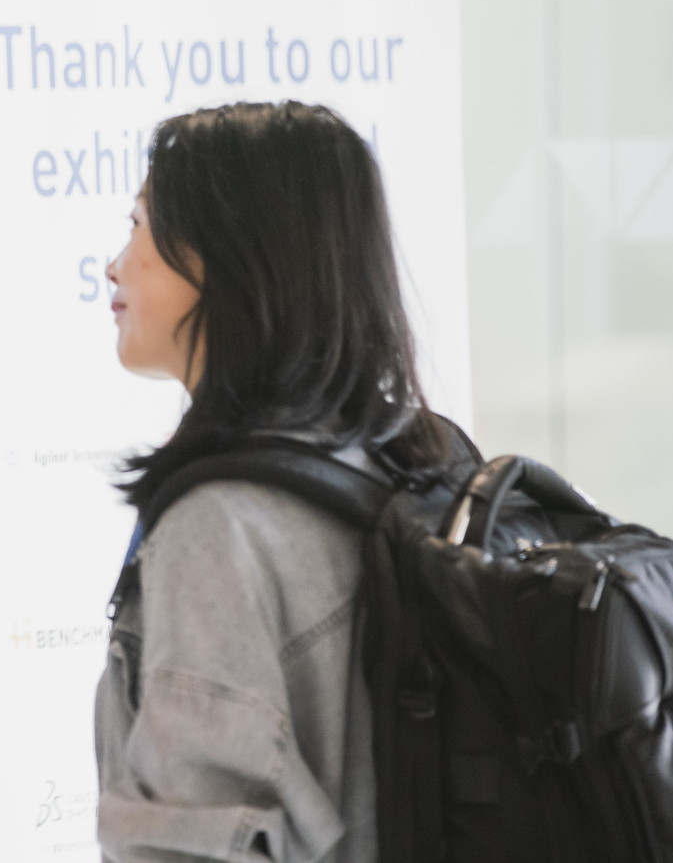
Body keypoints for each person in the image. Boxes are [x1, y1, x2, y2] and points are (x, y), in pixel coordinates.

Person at [94, 101, 469, 863]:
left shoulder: (220, 531)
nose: (115, 265)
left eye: (140, 227)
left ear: (227, 257)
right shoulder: (429, 461)